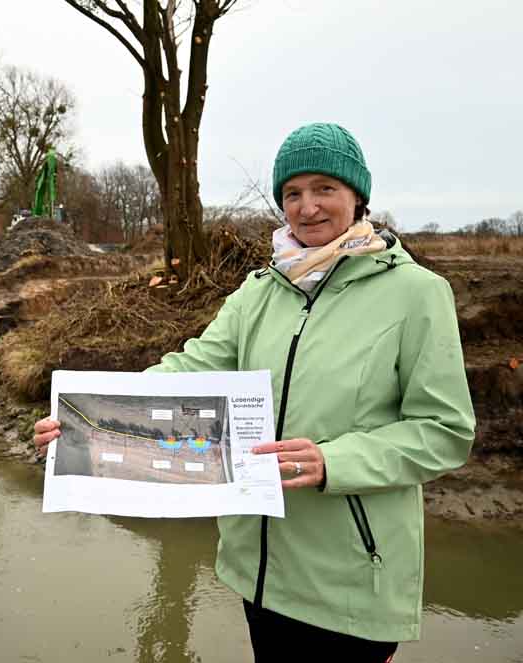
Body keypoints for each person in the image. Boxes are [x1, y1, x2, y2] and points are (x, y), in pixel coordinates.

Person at [33, 123, 475, 662]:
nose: (307, 207)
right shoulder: (260, 290)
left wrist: (335, 462)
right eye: (292, 193)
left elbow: (445, 431)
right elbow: (192, 369)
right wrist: (89, 416)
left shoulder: (417, 294)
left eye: (324, 189)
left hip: (352, 579)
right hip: (259, 573)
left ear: (358, 196)